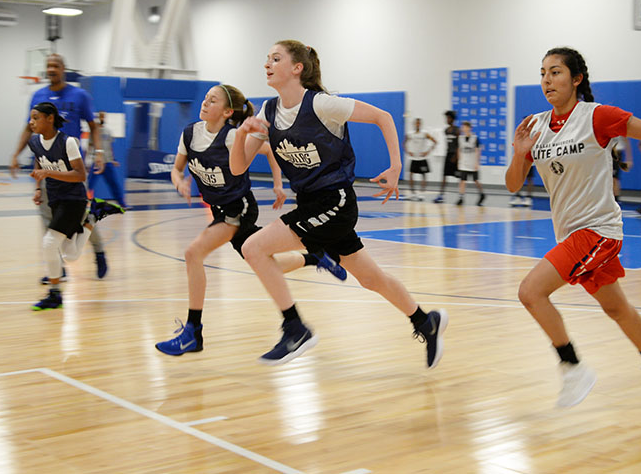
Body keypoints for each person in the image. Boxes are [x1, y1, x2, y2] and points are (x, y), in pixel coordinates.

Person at [229, 40, 446, 368]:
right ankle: (425, 321)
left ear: (296, 68)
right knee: (372, 280)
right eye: (267, 59)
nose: (267, 64)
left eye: (275, 58)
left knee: (254, 248)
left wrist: (396, 165)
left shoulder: (321, 105)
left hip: (336, 202)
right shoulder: (268, 112)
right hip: (312, 204)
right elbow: (237, 168)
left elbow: (383, 116)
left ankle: (295, 327)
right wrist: (243, 132)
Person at [506, 47, 641, 409]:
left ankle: (572, 366)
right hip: (570, 233)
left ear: (576, 79)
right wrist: (519, 152)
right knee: (616, 309)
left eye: (555, 72)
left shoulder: (598, 117)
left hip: (599, 230)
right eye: (542, 73)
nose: (547, 80)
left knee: (530, 292)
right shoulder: (534, 125)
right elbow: (512, 185)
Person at [155, 84, 346, 356]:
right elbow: (176, 168)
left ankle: (192, 331)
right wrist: (179, 181)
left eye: (213, 100)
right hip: (220, 209)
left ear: (227, 111)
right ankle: (316, 257)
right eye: (205, 99)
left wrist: (278, 185)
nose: (205, 103)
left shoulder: (232, 137)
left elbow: (268, 150)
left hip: (239, 207)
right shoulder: (190, 134)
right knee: (266, 264)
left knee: (193, 253)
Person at [10, 54, 112, 280]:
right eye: (48, 66)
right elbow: (29, 128)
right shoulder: (39, 95)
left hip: (72, 168)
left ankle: (99, 252)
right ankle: (57, 268)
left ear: (64, 69)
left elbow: (94, 126)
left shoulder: (79, 96)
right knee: (47, 219)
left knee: (79, 216)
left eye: (55, 65)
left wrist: (100, 152)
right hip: (47, 166)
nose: (51, 69)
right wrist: (17, 154)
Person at [25, 102, 123, 311]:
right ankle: (93, 216)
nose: (31, 122)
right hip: (55, 198)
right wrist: (38, 189)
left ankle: (54, 294)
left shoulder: (68, 142)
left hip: (74, 199)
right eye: (31, 118)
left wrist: (48, 173)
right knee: (70, 254)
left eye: (35, 118)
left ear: (50, 118)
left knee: (50, 243)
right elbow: (39, 161)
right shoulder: (34, 142)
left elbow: (80, 175)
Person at [86, 111, 128, 208]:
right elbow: (89, 146)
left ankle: (122, 203)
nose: (102, 119)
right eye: (101, 117)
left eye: (104, 117)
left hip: (108, 162)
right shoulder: (94, 131)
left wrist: (113, 159)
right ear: (98, 117)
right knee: (89, 184)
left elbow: (110, 147)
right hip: (96, 162)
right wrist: (87, 160)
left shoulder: (108, 131)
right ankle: (84, 202)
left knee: (114, 184)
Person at [403, 117, 437, 201]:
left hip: (422, 158)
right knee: (411, 175)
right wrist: (408, 151)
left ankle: (421, 194)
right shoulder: (410, 134)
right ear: (414, 124)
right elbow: (404, 143)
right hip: (413, 158)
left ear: (420, 124)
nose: (417, 125)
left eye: (419, 123)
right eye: (416, 123)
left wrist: (428, 151)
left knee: (424, 175)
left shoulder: (424, 134)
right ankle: (412, 194)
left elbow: (435, 141)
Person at [455, 121, 485, 206]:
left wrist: (477, 162)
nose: (463, 128)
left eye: (464, 127)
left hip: (472, 162)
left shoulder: (475, 138)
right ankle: (461, 198)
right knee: (462, 181)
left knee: (475, 180)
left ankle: (482, 194)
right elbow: (459, 149)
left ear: (469, 128)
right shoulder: (460, 138)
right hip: (464, 162)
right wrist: (459, 161)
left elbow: (478, 151)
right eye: (462, 127)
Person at [433, 110, 460, 203]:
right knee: (444, 175)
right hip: (448, 154)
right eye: (446, 118)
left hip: (456, 155)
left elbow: (459, 145)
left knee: (460, 177)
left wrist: (456, 156)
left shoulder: (457, 130)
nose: (447, 120)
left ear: (452, 119)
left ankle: (461, 196)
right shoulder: (446, 130)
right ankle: (441, 195)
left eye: (448, 118)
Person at [609, 136, 632, 203]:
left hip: (616, 152)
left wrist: (629, 158)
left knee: (614, 178)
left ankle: (615, 199)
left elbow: (627, 141)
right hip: (606, 152)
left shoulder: (619, 129)